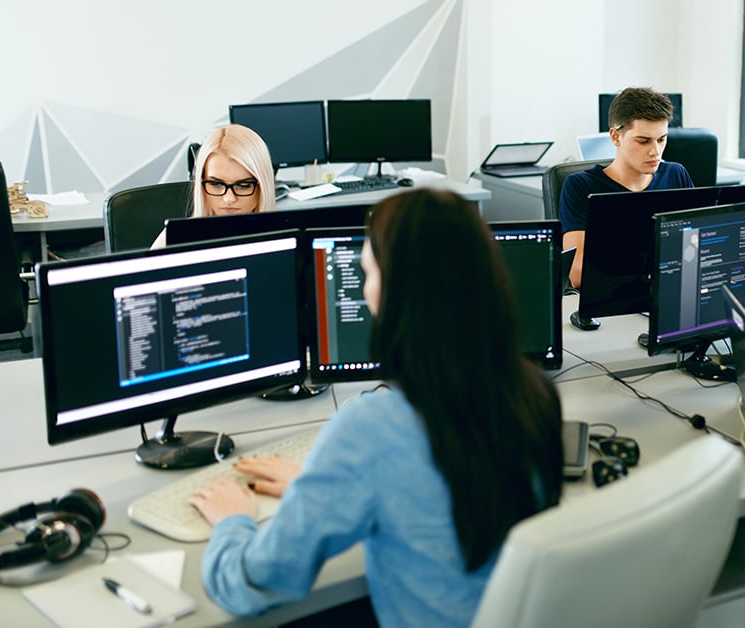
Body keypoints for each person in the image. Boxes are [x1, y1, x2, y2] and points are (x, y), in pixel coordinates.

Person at [187, 188, 564, 626]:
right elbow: (431, 507)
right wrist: (317, 491)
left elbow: (253, 582)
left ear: (396, 292)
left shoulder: (371, 428)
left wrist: (233, 521)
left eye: (368, 272)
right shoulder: (533, 394)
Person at [559, 86, 694, 289]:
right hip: (614, 300)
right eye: (643, 141)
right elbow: (578, 273)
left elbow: (697, 245)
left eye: (661, 139)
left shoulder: (676, 174)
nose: (655, 151)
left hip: (669, 292)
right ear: (615, 137)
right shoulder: (581, 186)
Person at [149, 124, 276, 249]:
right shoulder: (172, 240)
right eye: (216, 184)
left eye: (243, 185)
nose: (229, 199)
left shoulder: (286, 238)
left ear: (263, 186)